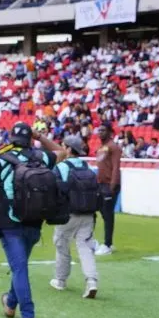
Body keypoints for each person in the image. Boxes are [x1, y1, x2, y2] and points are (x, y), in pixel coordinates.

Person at [0, 120, 61, 318]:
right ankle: (10, 303)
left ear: (11, 138)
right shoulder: (41, 157)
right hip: (35, 222)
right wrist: (40, 137)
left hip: (10, 223)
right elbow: (61, 151)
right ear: (30, 139)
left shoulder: (1, 158)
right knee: (20, 265)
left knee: (19, 268)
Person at [50, 135, 99, 298]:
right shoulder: (87, 166)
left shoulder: (62, 167)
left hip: (68, 214)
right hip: (88, 214)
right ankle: (91, 281)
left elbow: (54, 188)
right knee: (85, 247)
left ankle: (61, 280)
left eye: (63, 145)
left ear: (69, 149)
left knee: (61, 244)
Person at [93, 123, 121, 256]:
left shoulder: (113, 147)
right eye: (99, 130)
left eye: (103, 130)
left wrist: (113, 185)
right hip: (100, 184)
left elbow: (116, 166)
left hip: (109, 184)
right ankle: (100, 242)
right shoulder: (101, 148)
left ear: (110, 132)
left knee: (108, 214)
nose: (100, 132)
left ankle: (107, 245)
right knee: (100, 211)